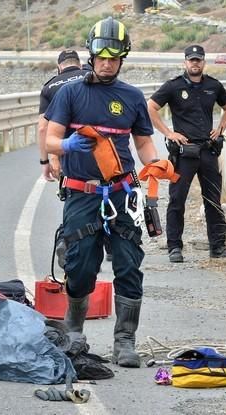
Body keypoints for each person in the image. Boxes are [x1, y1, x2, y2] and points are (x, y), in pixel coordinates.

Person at [45, 17, 160, 368]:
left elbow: (143, 142)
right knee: (80, 266)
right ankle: (75, 331)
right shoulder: (70, 92)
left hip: (122, 193)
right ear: (91, 54)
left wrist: (155, 164)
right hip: (82, 194)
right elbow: (50, 138)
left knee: (128, 264)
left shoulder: (132, 97)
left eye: (114, 56)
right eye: (101, 55)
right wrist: (65, 144)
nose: (107, 61)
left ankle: (124, 341)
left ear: (122, 58)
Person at [147, 44, 226, 263]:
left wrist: (220, 129)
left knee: (213, 200)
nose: (195, 63)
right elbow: (150, 107)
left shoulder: (213, 86)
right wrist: (169, 132)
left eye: (199, 60)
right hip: (183, 155)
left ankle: (217, 246)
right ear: (185, 62)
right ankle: (174, 247)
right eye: (191, 60)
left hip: (208, 152)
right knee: (177, 200)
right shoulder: (173, 86)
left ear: (204, 62)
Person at [38, 50, 90, 181]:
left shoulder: (49, 87)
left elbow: (43, 128)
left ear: (59, 67)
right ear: (80, 65)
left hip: (66, 149)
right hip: (96, 145)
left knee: (73, 191)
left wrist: (45, 162)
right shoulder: (92, 76)